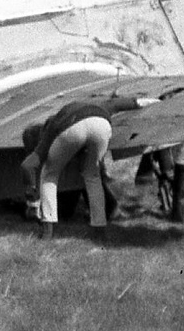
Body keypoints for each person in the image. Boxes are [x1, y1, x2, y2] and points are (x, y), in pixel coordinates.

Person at [24, 95, 160, 239]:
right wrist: (156, 102)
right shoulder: (96, 106)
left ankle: (47, 233)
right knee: (92, 177)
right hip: (101, 125)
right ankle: (99, 230)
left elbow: (29, 164)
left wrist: (32, 201)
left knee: (49, 176)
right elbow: (127, 103)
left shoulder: (52, 127)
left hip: (71, 129)